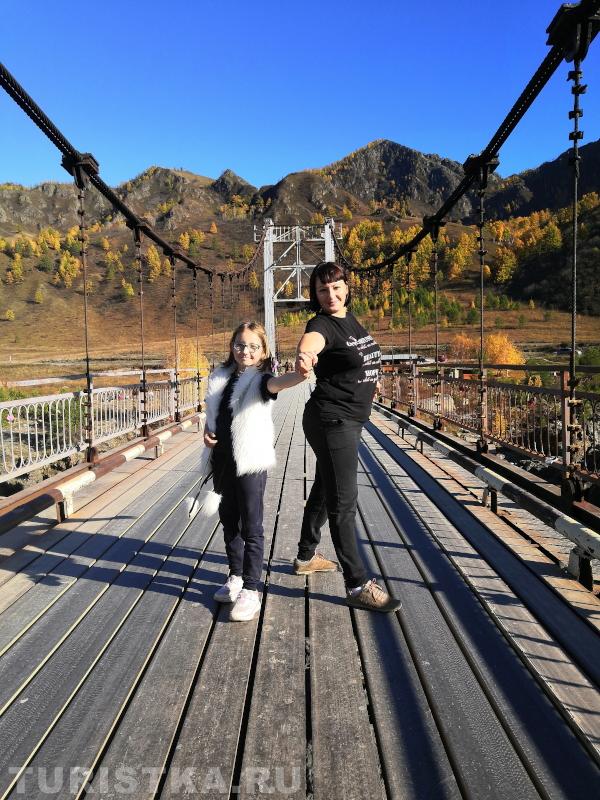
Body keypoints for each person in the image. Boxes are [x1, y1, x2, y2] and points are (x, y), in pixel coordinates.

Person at [293, 261, 401, 613]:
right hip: (332, 420)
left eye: (336, 287)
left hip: (347, 418)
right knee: (344, 502)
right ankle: (357, 585)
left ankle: (306, 556)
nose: (331, 295)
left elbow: (360, 358)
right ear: (315, 295)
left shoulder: (350, 319)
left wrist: (371, 381)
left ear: (346, 288)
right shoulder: (321, 323)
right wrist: (304, 355)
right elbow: (312, 342)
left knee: (327, 488)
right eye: (323, 290)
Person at [202, 321, 312, 622]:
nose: (245, 351)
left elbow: (278, 384)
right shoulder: (220, 378)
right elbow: (214, 417)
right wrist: (207, 434)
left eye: (253, 346)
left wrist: (300, 375)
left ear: (263, 351)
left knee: (251, 525)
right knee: (229, 522)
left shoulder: (261, 380)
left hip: (250, 462)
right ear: (232, 346)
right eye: (240, 344)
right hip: (222, 461)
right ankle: (235, 576)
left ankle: (251, 589)